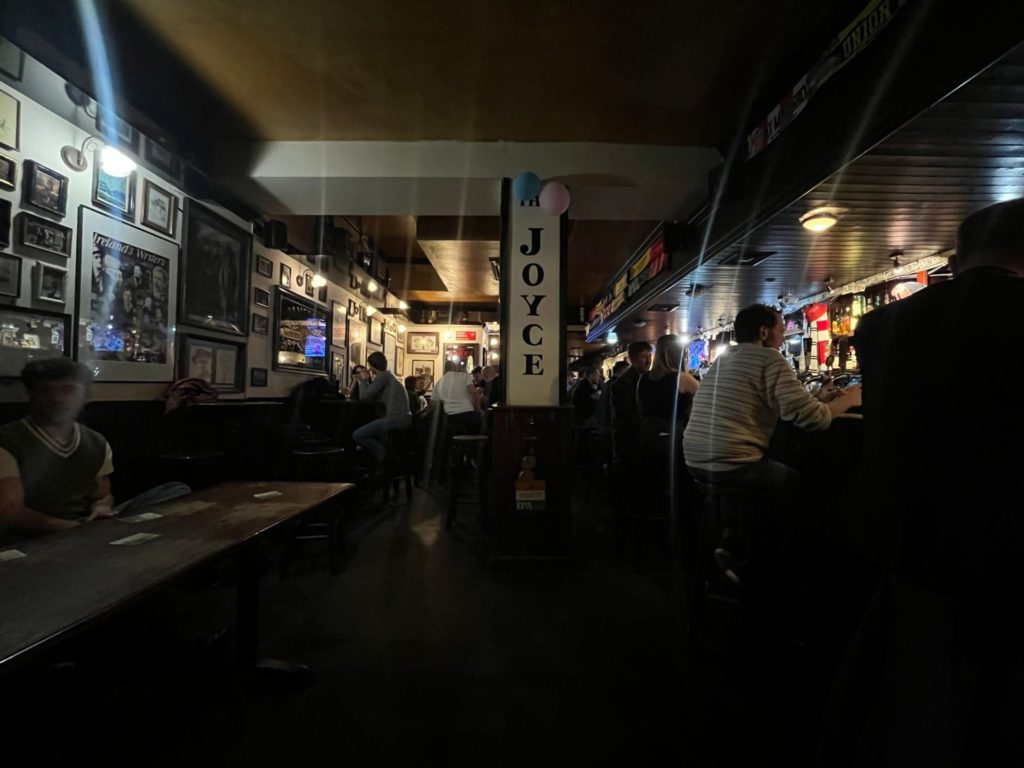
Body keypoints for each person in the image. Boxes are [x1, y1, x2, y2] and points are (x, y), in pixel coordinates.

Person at [820, 199, 1024, 766]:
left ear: (955, 260)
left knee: (915, 698)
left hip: (899, 539)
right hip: (1000, 554)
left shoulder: (881, 324)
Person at [0, 359, 188, 543]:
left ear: (86, 396)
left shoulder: (95, 441)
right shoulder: (9, 439)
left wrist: (102, 508)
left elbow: (102, 495)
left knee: (176, 490)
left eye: (68, 390)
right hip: (35, 539)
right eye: (46, 391)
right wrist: (76, 529)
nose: (57, 399)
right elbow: (10, 514)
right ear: (30, 394)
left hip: (86, 526)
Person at [684, 304, 860, 492]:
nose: (783, 338)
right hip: (731, 464)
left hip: (694, 460)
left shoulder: (723, 359)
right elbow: (815, 419)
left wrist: (815, 399)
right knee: (802, 483)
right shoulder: (770, 358)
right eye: (781, 332)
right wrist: (849, 398)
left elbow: (783, 405)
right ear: (763, 333)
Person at [636, 335, 699, 455]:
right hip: (673, 437)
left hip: (647, 435)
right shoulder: (682, 378)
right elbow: (707, 397)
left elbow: (640, 408)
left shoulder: (643, 378)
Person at [352, 352, 411, 464]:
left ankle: (384, 456)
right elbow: (370, 395)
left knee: (357, 435)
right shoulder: (388, 376)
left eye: (369, 366)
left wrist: (363, 380)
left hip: (395, 419)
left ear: (372, 366)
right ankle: (385, 457)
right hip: (403, 418)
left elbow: (364, 397)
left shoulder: (383, 377)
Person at [610, 341, 653, 461]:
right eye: (643, 356)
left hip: (640, 440)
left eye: (650, 356)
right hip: (629, 442)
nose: (648, 361)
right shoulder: (623, 383)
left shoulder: (647, 378)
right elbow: (629, 415)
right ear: (632, 359)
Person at [432, 359, 481, 434]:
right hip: (468, 414)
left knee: (452, 436)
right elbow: (474, 393)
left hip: (450, 418)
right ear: (455, 368)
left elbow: (433, 404)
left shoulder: (439, 383)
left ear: (444, 369)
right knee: (474, 435)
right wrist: (478, 410)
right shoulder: (464, 376)